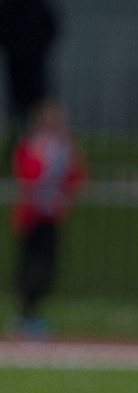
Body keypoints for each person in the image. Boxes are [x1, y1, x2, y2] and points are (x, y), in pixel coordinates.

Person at [9, 96, 85, 337]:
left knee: (48, 266)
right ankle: (25, 314)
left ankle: (33, 313)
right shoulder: (32, 145)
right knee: (29, 266)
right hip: (33, 216)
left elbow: (76, 177)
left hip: (51, 216)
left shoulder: (65, 147)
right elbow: (28, 174)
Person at [0, 0, 59, 161]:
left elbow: (52, 28)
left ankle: (42, 153)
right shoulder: (10, 6)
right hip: (18, 69)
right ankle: (21, 152)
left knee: (38, 111)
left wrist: (36, 49)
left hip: (35, 68)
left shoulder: (38, 5)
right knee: (18, 113)